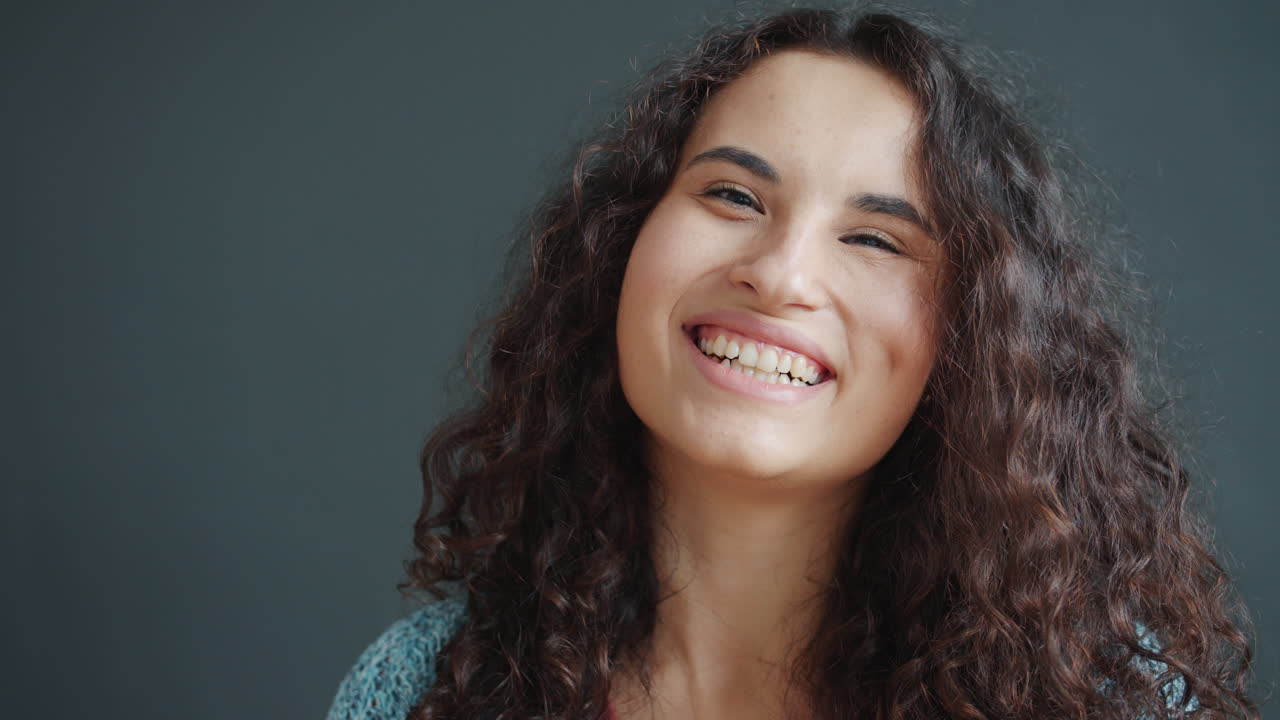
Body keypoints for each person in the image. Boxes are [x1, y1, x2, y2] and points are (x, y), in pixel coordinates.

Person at [326, 6, 1258, 719]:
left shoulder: (1104, 702)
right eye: (732, 194)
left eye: (879, 239)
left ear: (973, 340)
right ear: (619, 248)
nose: (779, 276)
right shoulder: (422, 692)